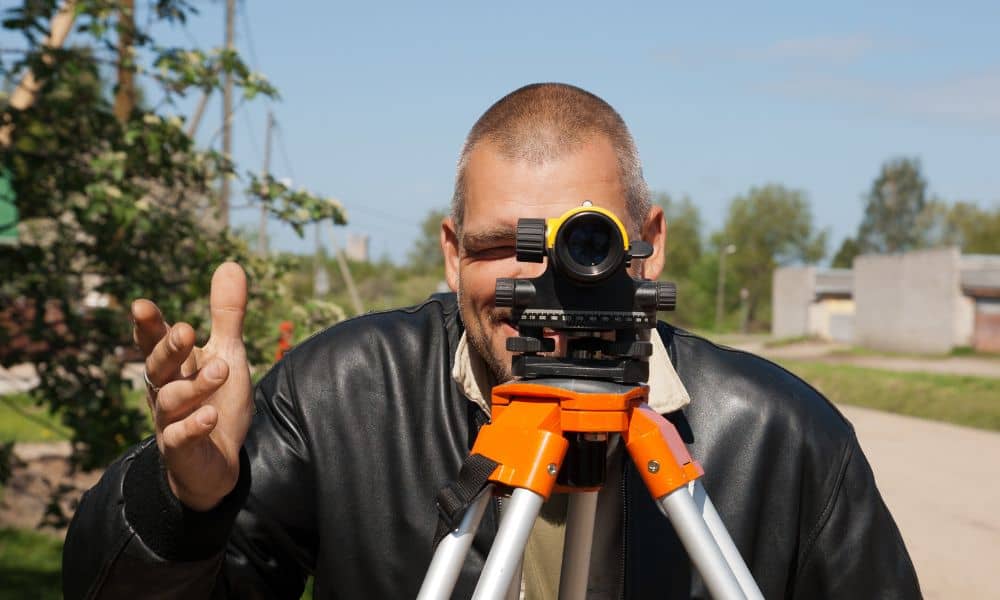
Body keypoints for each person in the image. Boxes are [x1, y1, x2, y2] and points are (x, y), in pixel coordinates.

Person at [62, 83, 921, 599]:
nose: (538, 284)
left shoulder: (784, 434)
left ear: (647, 240)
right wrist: (186, 504)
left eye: (578, 243)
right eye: (502, 246)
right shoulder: (341, 396)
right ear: (449, 249)